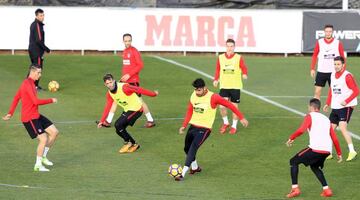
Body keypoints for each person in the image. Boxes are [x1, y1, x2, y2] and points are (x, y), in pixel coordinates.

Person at [175, 78, 248, 181]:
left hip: (204, 129)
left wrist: (241, 117)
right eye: (195, 90)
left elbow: (230, 105)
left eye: (199, 90)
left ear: (205, 88)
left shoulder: (213, 97)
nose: (197, 92)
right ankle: (195, 168)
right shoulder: (193, 95)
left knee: (193, 148)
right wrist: (184, 125)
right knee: (186, 149)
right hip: (193, 127)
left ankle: (182, 173)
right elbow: (190, 110)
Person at [2, 64, 59, 172]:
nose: (40, 75)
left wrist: (10, 113)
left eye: (40, 72)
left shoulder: (31, 83)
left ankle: (43, 156)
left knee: (54, 132)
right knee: (43, 139)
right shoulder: (27, 84)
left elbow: (16, 97)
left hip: (36, 115)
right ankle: (38, 165)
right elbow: (35, 101)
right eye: (38, 73)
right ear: (32, 72)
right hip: (29, 118)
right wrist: (51, 100)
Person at [285, 98, 342, 198]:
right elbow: (334, 138)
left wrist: (291, 138)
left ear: (312, 107)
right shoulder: (326, 119)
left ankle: (295, 189)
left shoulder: (310, 116)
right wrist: (339, 153)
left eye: (308, 106)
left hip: (316, 149)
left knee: (293, 161)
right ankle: (327, 190)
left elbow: (301, 130)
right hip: (327, 151)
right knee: (315, 166)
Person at [104, 33, 156, 128]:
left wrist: (129, 75)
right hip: (125, 82)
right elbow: (127, 66)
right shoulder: (124, 51)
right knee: (116, 99)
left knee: (140, 102)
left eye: (129, 41)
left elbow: (140, 65)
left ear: (131, 41)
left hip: (133, 81)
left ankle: (150, 120)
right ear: (123, 41)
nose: (127, 42)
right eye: (126, 41)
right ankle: (107, 121)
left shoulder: (134, 51)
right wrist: (123, 78)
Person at [97, 73, 158, 153]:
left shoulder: (124, 87)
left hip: (137, 109)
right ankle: (134, 144)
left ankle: (128, 143)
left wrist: (153, 94)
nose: (110, 85)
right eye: (107, 83)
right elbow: (108, 107)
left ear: (114, 81)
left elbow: (138, 89)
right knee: (118, 130)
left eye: (111, 82)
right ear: (105, 84)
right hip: (128, 110)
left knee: (118, 124)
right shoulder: (109, 93)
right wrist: (102, 121)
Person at [323, 56, 359, 161]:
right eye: (335, 64)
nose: (336, 66)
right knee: (330, 129)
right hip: (335, 106)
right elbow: (331, 90)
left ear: (343, 65)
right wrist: (327, 103)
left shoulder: (347, 76)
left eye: (338, 64)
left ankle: (352, 151)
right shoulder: (332, 75)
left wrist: (346, 101)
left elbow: (356, 91)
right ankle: (328, 152)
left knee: (342, 127)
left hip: (346, 106)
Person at [213, 38, 248, 134]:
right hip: (224, 86)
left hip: (235, 86)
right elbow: (217, 69)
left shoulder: (238, 57)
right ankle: (226, 123)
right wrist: (216, 79)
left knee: (234, 108)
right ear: (226, 47)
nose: (229, 48)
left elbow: (243, 67)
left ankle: (234, 126)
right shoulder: (220, 57)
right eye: (228, 46)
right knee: (221, 107)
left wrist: (244, 74)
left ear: (234, 47)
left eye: (231, 46)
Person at [310, 24, 345, 99]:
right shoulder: (319, 42)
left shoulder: (337, 42)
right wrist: (312, 68)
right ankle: (316, 110)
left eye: (330, 31)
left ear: (332, 32)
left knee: (335, 93)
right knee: (317, 92)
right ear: (324, 32)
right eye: (326, 31)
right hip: (321, 71)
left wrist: (343, 69)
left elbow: (342, 57)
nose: (328, 33)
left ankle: (335, 109)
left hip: (333, 72)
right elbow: (315, 55)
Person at [28, 8, 51, 90]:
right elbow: (38, 40)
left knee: (34, 68)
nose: (42, 17)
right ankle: (34, 86)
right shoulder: (37, 25)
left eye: (43, 15)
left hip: (34, 50)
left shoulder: (36, 24)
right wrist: (47, 49)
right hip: (36, 51)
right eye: (41, 15)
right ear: (36, 16)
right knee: (37, 69)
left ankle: (30, 86)